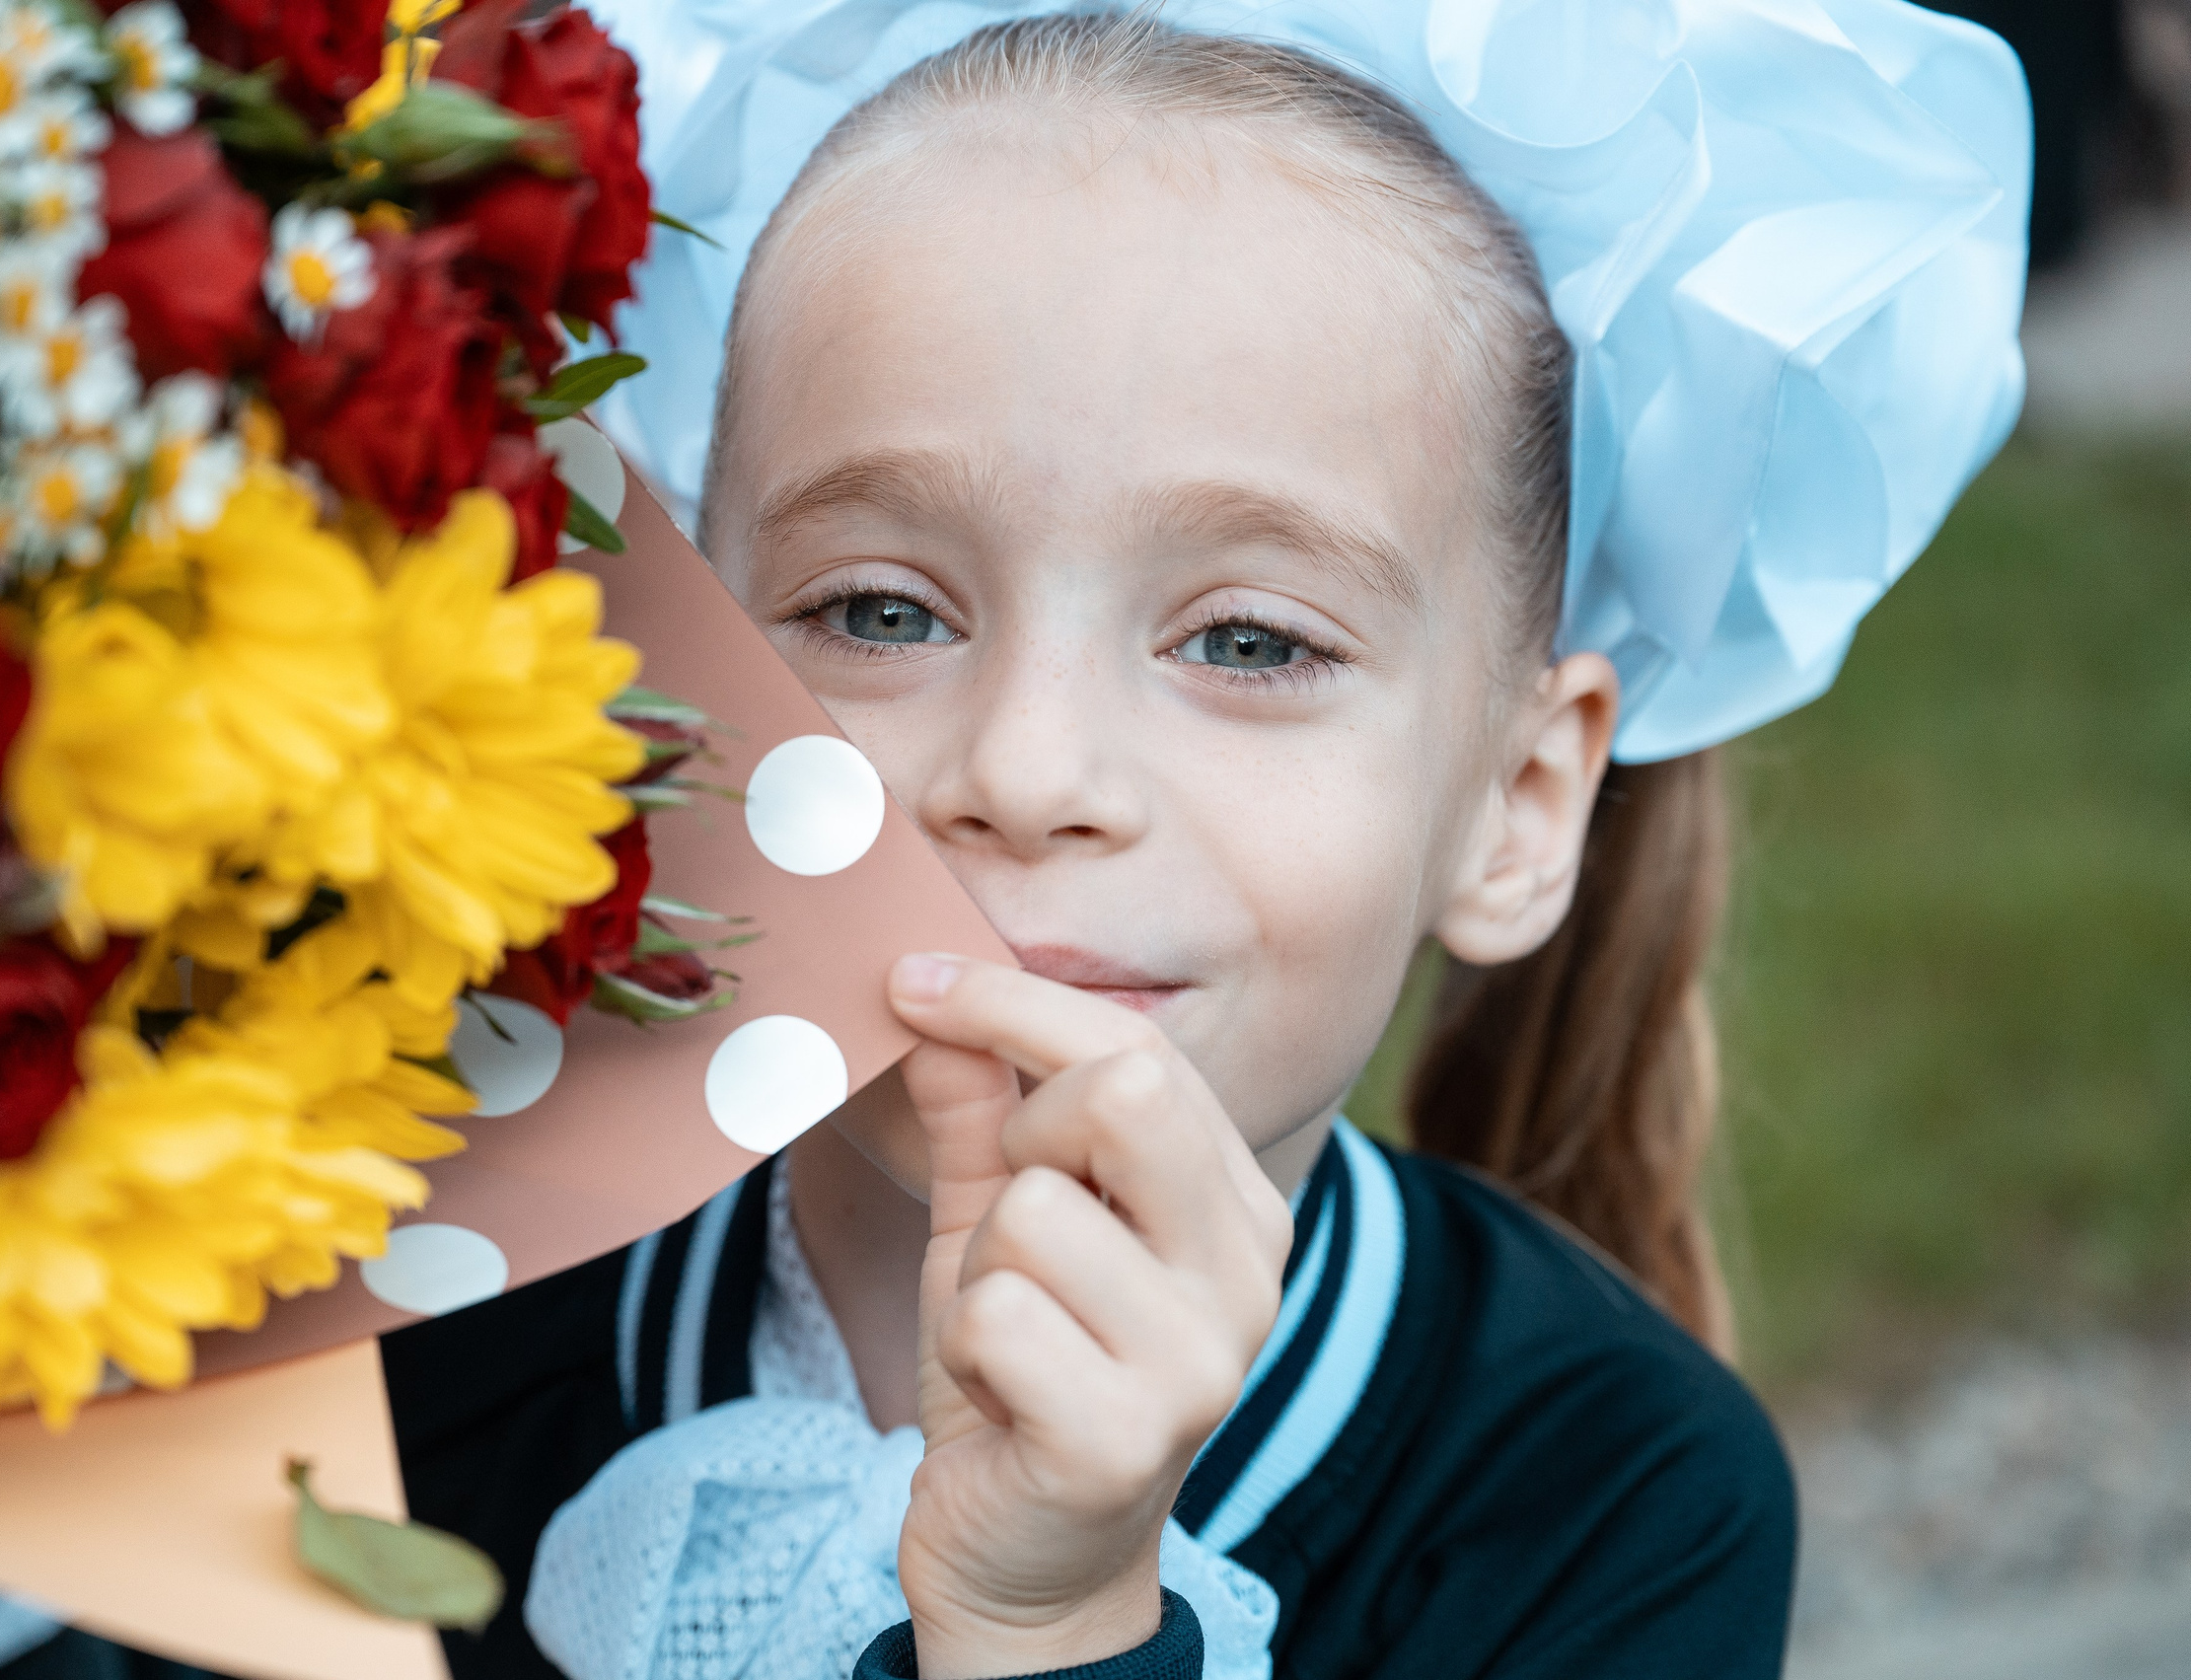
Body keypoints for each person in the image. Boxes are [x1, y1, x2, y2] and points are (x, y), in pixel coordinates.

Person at [385, 4, 2030, 1678]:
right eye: (879, 609)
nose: (1028, 771)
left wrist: (1056, 1626)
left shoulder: (1609, 1504)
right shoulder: (409, 1307)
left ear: (1518, 809)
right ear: (686, 678)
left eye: (1249, 643)